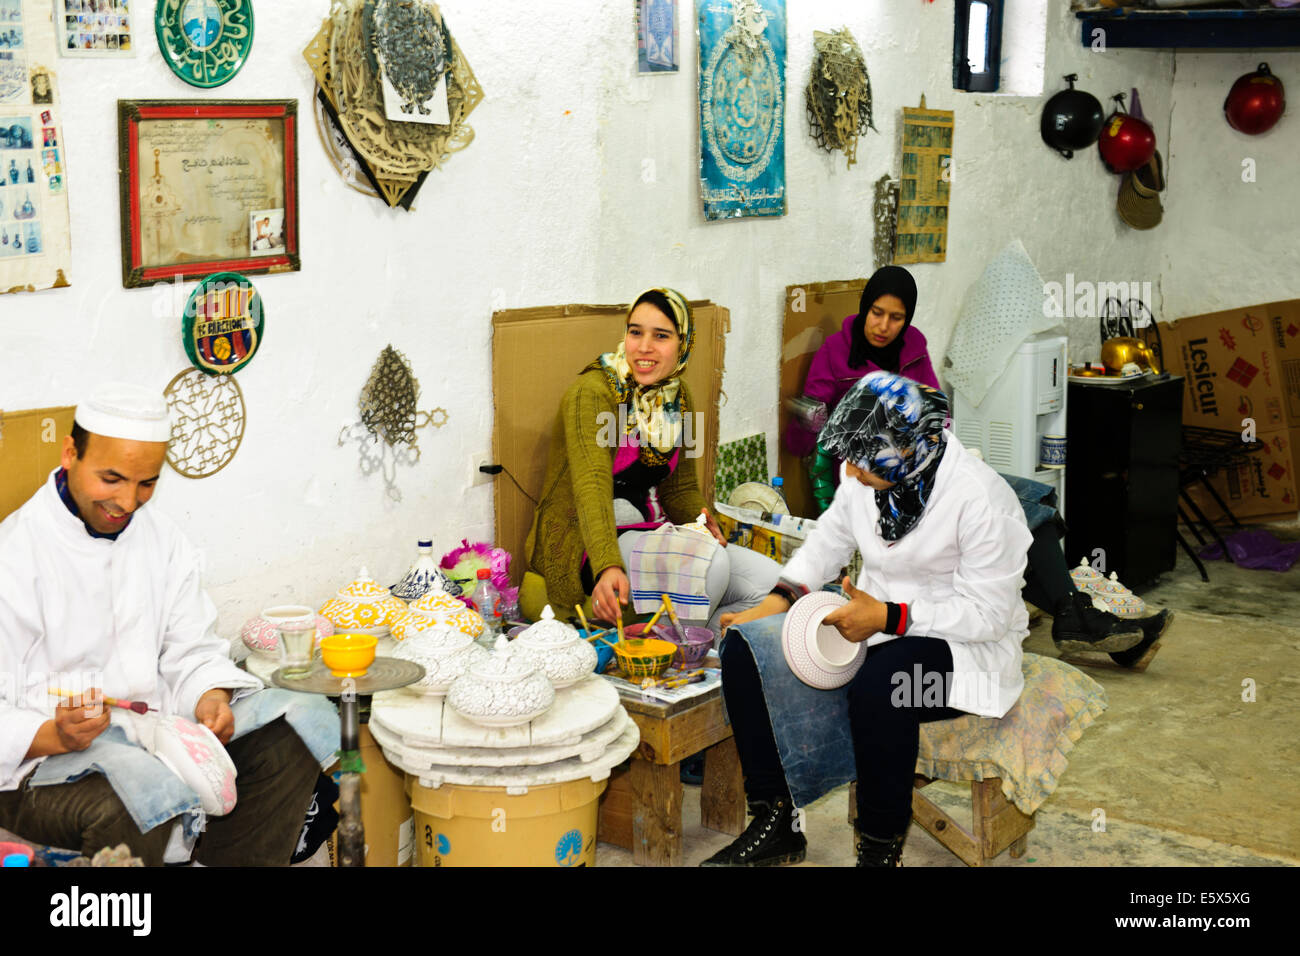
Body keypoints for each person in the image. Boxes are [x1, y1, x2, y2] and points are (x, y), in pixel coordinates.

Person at [0, 383, 340, 866]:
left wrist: (209, 696)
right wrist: (54, 734)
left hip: (156, 731)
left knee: (293, 726)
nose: (127, 502)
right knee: (138, 799)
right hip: (38, 767)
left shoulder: (161, 539)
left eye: (146, 483)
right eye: (111, 479)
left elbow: (192, 651)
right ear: (70, 453)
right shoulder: (14, 556)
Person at [708, 373, 1030, 867]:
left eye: (864, 463)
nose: (854, 475)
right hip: (878, 624)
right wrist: (768, 605)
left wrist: (890, 616)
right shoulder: (869, 472)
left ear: (907, 450)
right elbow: (826, 543)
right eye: (850, 461)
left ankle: (879, 850)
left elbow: (990, 615)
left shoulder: (980, 500)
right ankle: (777, 822)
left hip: (969, 655)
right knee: (745, 649)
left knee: (885, 685)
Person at [784, 266, 1171, 664]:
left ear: (908, 319)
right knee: (1015, 511)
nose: (883, 325)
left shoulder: (913, 346)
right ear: (865, 308)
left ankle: (1077, 615)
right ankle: (1078, 616)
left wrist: (950, 452)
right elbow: (810, 436)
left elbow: (938, 411)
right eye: (877, 313)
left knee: (1026, 500)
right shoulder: (835, 352)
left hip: (926, 470)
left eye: (896, 317)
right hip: (876, 478)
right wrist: (809, 423)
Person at [524, 288, 781, 630]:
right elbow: (590, 487)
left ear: (683, 343)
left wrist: (703, 522)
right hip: (587, 541)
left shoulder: (678, 396)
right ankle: (676, 659)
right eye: (635, 332)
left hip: (647, 530)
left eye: (661, 336)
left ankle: (713, 656)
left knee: (771, 582)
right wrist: (607, 566)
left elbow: (680, 488)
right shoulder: (592, 393)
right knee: (709, 565)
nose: (644, 347)